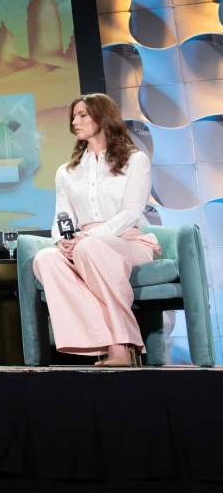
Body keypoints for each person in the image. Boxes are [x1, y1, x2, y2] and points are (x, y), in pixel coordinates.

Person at [33, 93, 160, 367]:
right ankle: (96, 339)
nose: (75, 122)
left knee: (90, 247)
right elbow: (62, 217)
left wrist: (88, 237)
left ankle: (121, 348)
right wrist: (61, 242)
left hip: (128, 240)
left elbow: (131, 213)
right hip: (83, 244)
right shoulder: (67, 171)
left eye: (82, 115)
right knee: (44, 259)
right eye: (74, 116)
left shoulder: (135, 161)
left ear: (104, 118)